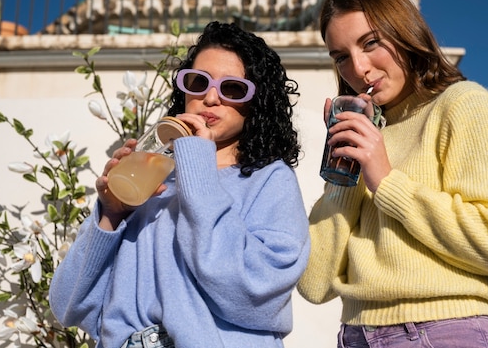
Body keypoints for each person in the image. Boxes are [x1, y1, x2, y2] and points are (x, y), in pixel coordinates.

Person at [297, 0, 488, 348]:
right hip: (354, 336)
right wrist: (345, 176)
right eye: (341, 57)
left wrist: (386, 181)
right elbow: (313, 282)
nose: (358, 68)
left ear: (404, 31)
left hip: (440, 331)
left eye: (370, 43)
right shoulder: (368, 135)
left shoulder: (463, 104)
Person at [49, 21, 310, 348]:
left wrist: (198, 167)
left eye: (232, 89)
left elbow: (256, 292)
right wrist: (111, 216)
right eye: (198, 82)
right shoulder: (154, 176)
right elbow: (68, 305)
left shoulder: (270, 179)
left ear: (256, 101)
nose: (211, 98)